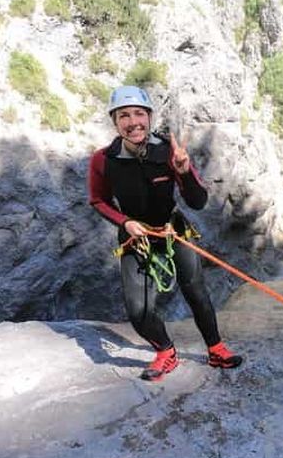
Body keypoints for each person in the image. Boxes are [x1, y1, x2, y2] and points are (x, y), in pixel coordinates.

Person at [88, 85, 243, 381]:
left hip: (173, 230)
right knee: (138, 310)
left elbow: (197, 201)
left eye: (138, 113)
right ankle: (165, 351)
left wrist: (183, 172)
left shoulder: (168, 151)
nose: (133, 122)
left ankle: (216, 349)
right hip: (135, 236)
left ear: (149, 117)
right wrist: (124, 222)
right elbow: (98, 200)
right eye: (124, 115)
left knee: (196, 292)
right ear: (115, 122)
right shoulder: (103, 159)